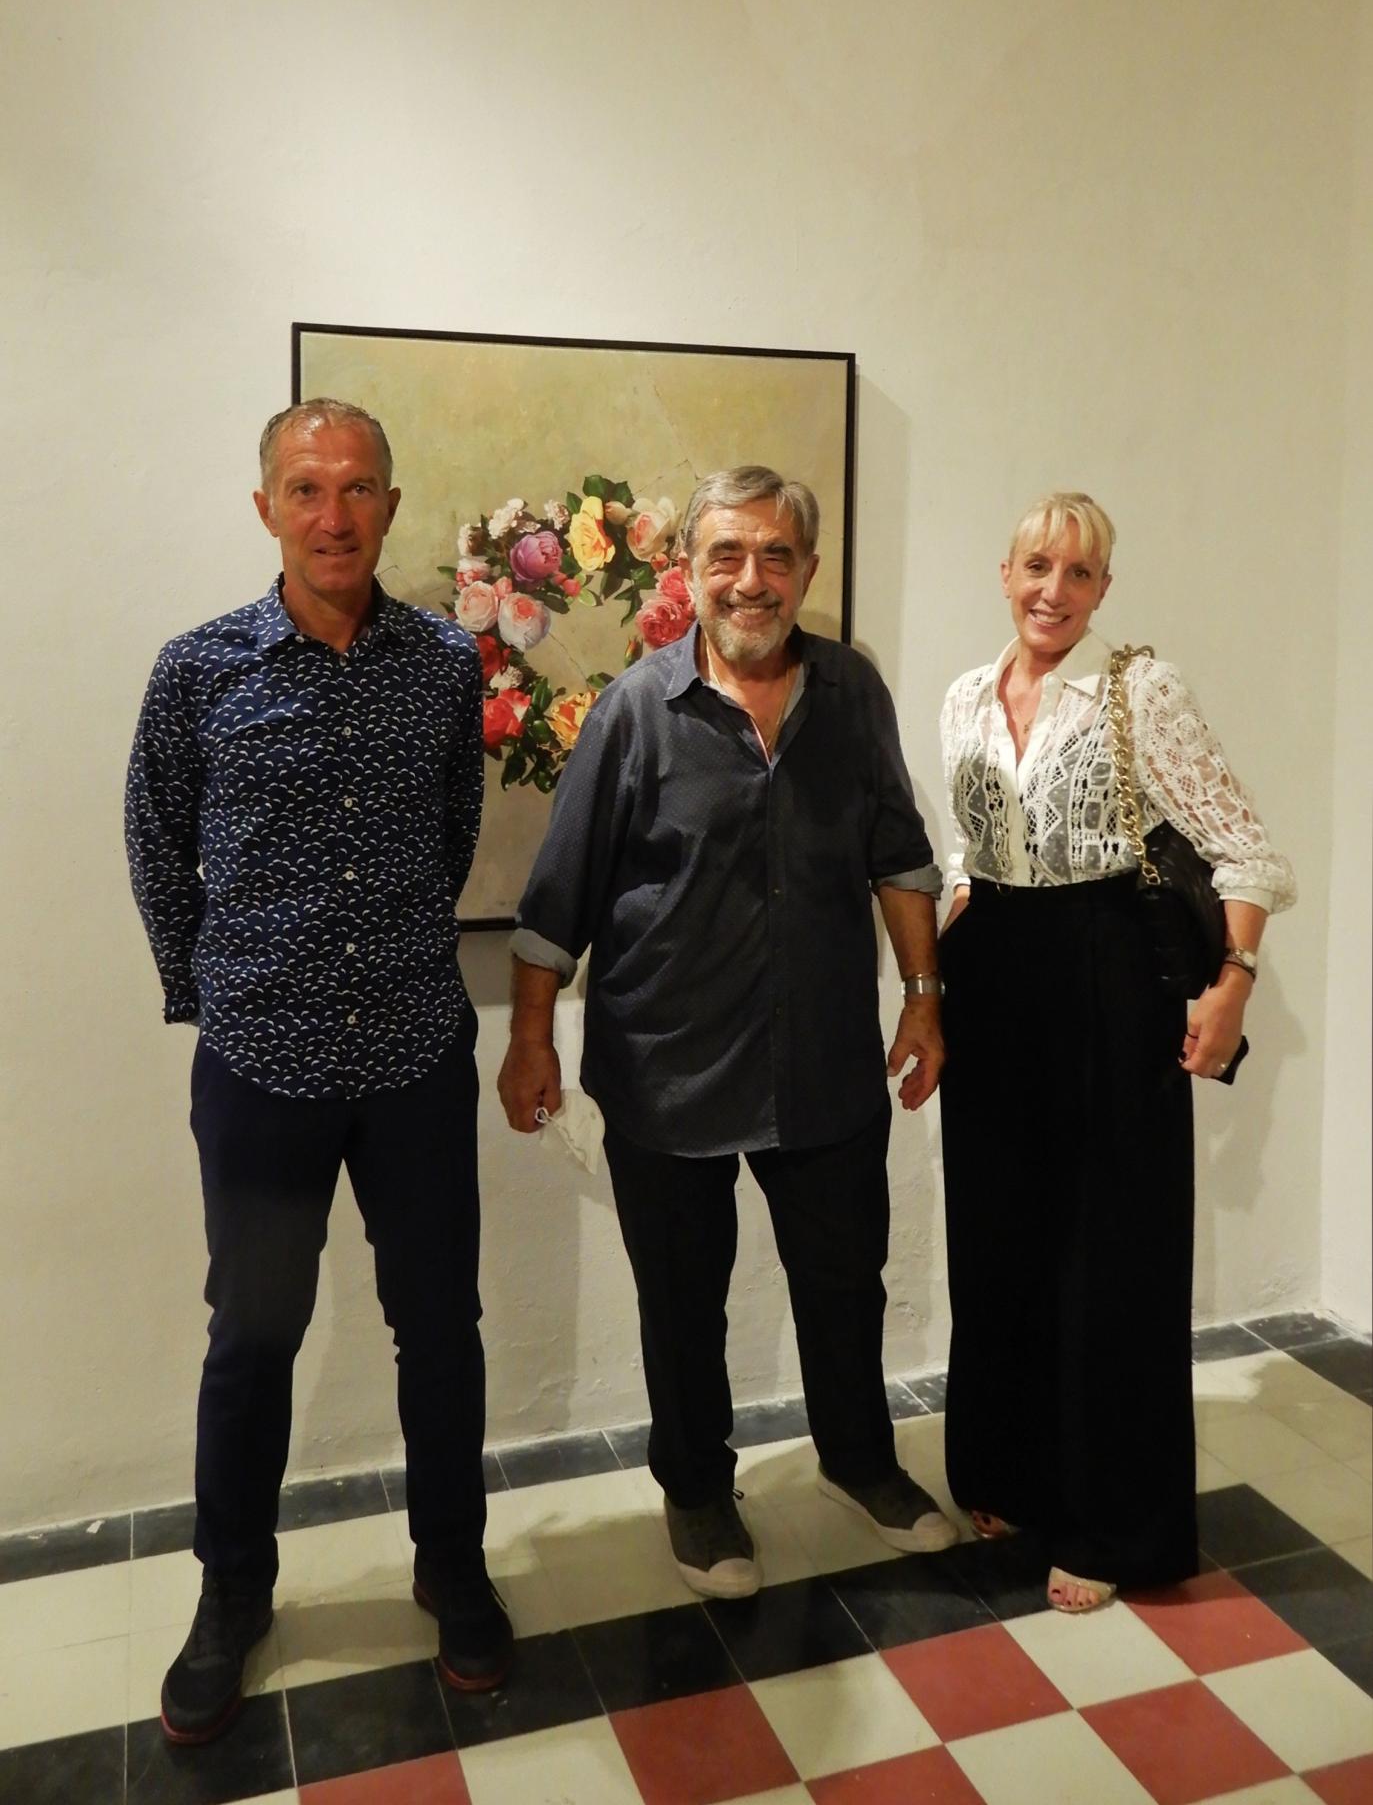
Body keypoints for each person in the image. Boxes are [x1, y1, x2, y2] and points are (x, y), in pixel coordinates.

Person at [498, 464, 957, 1599]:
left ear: (805, 569)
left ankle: (859, 1462)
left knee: (845, 1281)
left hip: (824, 1062)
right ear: (689, 571)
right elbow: (557, 899)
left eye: (775, 556)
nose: (751, 579)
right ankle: (698, 1490)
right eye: (727, 555)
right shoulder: (634, 711)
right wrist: (530, 1040)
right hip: (667, 1067)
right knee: (681, 1300)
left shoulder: (851, 692)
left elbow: (899, 853)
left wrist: (921, 995)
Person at [125, 398, 510, 1745]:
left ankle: (451, 1565)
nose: (332, 514)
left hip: (413, 1054)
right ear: (266, 508)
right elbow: (156, 845)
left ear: (390, 507)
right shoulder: (199, 668)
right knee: (253, 1337)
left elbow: (453, 824)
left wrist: (387, 950)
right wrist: (217, 991)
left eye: (356, 489)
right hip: (261, 1066)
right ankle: (232, 1592)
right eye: (306, 487)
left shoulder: (445, 662)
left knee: (440, 1326)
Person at [937, 491, 1296, 1612]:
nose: (1053, 590)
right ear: (1004, 573)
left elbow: (1245, 849)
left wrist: (1231, 982)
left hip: (1105, 973)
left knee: (1111, 1248)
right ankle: (1009, 1471)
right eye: (1036, 566)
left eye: (1079, 573)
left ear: (1103, 589)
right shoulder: (962, 694)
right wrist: (938, 967)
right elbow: (963, 846)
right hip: (990, 973)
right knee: (998, 1232)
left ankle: (1111, 1521)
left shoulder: (1141, 690)